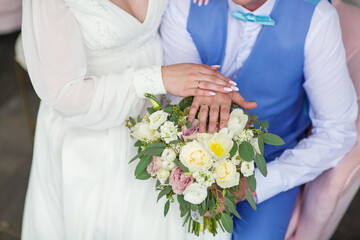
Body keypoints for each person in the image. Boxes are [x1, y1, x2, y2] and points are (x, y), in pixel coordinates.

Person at [21, 0, 256, 239]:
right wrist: (157, 79)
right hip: (92, 128)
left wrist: (202, 85)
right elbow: (64, 94)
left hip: (162, 114)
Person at [160, 0, 358, 239]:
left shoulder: (315, 19)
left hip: (271, 158)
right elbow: (175, 102)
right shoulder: (185, 6)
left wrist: (259, 185)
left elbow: (337, 131)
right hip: (192, 151)